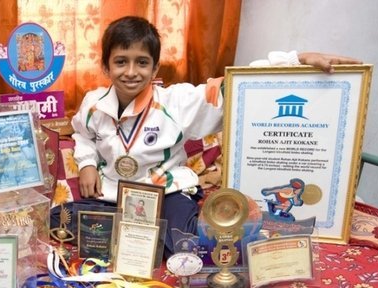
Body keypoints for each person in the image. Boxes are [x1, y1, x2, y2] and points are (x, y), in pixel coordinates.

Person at [61, 16, 360, 257]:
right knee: (58, 219)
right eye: (121, 61)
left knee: (188, 245)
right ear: (105, 66)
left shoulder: (176, 101)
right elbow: (82, 134)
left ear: (154, 68)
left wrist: (297, 59)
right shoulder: (93, 103)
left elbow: (236, 83)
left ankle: (140, 234)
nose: (131, 72)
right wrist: (87, 163)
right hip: (113, 194)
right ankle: (139, 232)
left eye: (141, 62)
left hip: (166, 191)